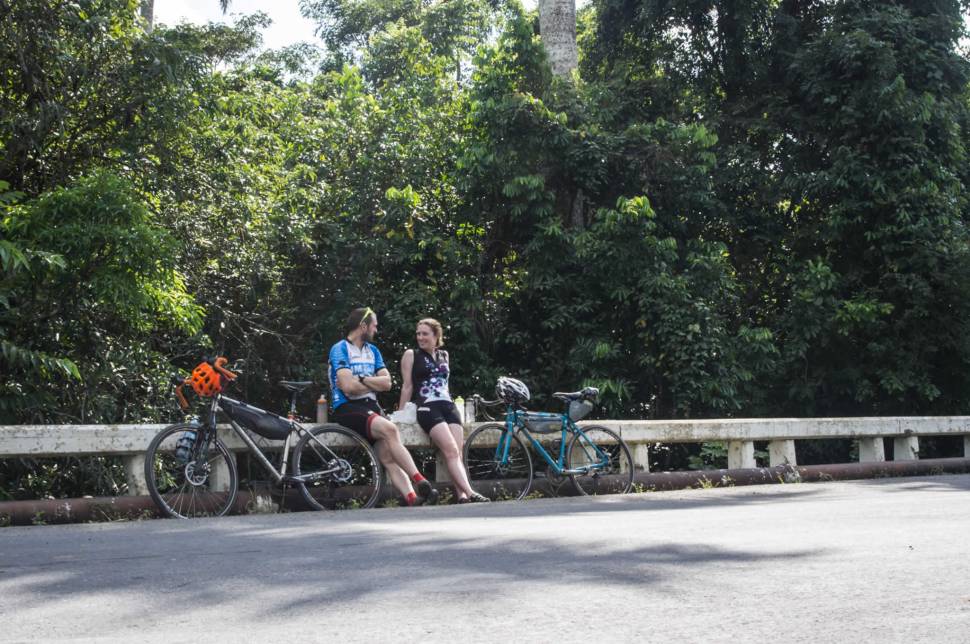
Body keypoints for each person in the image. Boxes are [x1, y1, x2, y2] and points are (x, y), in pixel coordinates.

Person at [329, 307, 438, 506]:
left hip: (371, 406)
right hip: (347, 407)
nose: (376, 330)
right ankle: (421, 481)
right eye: (374, 326)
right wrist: (372, 382)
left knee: (388, 457)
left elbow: (387, 383)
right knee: (390, 429)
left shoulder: (373, 351)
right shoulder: (340, 348)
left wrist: (361, 379)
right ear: (363, 326)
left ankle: (412, 498)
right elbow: (347, 387)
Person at [398, 318, 488, 504]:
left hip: (448, 406)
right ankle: (471, 492)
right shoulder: (411, 354)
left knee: (457, 453)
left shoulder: (444, 355)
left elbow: (444, 383)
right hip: (427, 407)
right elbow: (407, 386)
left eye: (425, 334)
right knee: (451, 450)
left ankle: (462, 496)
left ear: (436, 335)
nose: (420, 337)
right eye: (418, 334)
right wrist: (399, 415)